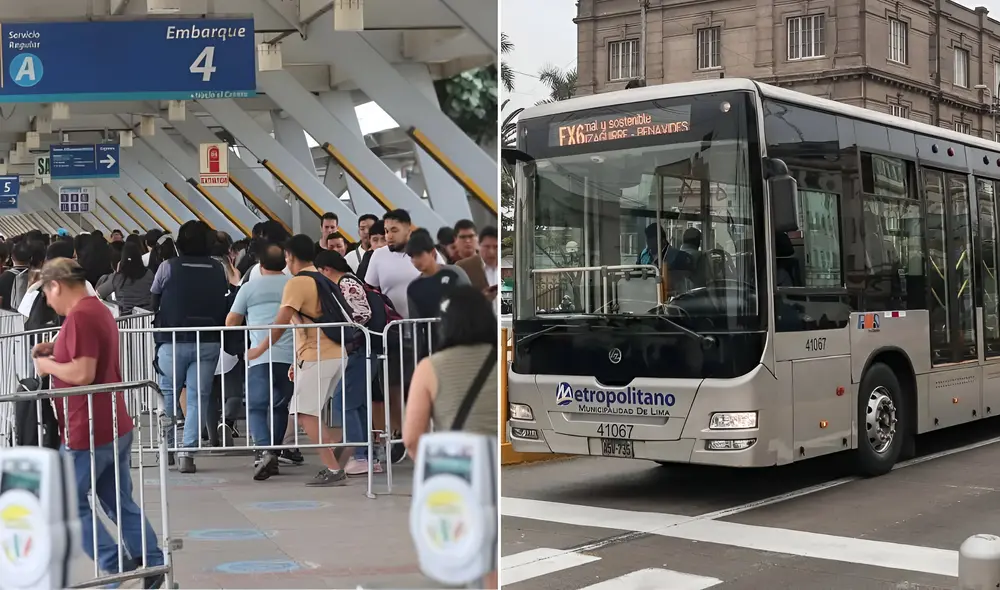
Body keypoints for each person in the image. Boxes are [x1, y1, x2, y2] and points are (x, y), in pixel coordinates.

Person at [31, 258, 165, 587]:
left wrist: (48, 366)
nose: (48, 302)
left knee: (65, 502)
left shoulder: (79, 317)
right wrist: (57, 349)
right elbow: (89, 356)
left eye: (46, 293)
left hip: (86, 428)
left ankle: (113, 563)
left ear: (56, 285)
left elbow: (83, 373)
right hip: (113, 422)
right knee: (119, 501)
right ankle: (152, 560)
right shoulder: (97, 309)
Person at [247, 234, 350, 486]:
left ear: (290, 257)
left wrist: (259, 349)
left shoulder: (297, 283)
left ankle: (334, 469)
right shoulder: (321, 278)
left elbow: (281, 323)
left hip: (321, 354)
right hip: (333, 353)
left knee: (304, 413)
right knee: (310, 412)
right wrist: (297, 361)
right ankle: (337, 461)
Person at [150, 220, 229, 474]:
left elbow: (155, 297)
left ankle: (169, 449)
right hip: (208, 340)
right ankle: (188, 453)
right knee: (197, 397)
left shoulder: (168, 267)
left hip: (172, 339)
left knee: (169, 395)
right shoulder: (217, 268)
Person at [227, 243, 295, 481]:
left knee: (256, 406)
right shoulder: (292, 285)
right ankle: (274, 452)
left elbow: (231, 321)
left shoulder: (249, 288)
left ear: (260, 265)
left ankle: (264, 451)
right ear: (284, 263)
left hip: (259, 356)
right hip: (289, 358)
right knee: (280, 406)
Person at [314, 249, 379, 476]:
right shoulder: (349, 281)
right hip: (363, 351)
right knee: (356, 403)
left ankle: (360, 455)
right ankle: (367, 456)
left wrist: (338, 323)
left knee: (344, 401)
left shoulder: (345, 283)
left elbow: (362, 314)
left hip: (358, 351)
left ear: (326, 270)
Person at [406, 229, 471, 321]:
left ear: (432, 252)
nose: (415, 261)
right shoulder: (413, 288)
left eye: (419, 255)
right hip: (431, 334)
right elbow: (415, 324)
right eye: (412, 257)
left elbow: (471, 303)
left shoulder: (454, 273)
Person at [95, 241, 154, 314]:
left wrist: (117, 271)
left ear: (122, 259)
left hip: (126, 320)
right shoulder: (149, 274)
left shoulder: (117, 277)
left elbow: (98, 294)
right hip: (147, 318)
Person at [456, 226, 499, 303]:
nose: (491, 252)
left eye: (496, 247)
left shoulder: (510, 267)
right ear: (478, 245)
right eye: (487, 247)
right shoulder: (463, 267)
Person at [0, 239, 32, 311]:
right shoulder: (35, 276)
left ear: (12, 258)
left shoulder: (4, 277)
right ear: (31, 258)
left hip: (8, 317)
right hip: (29, 318)